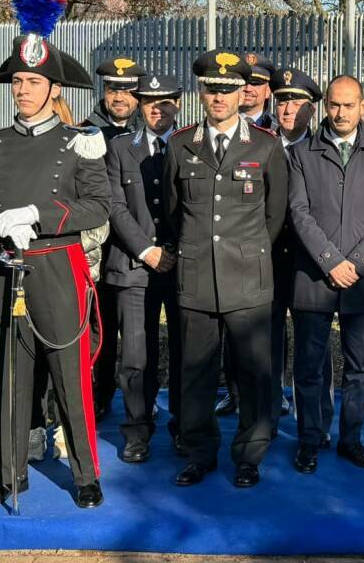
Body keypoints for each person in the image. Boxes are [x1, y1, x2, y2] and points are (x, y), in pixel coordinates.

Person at [0, 0, 109, 508]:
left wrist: (39, 217)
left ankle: (86, 474)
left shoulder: (79, 142)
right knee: (10, 377)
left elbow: (98, 205)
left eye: (32, 81)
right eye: (16, 80)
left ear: (53, 86)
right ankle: (9, 474)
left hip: (56, 267)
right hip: (3, 267)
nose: (22, 89)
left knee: (69, 373)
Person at [164, 50, 288, 489]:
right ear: (201, 92)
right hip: (196, 276)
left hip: (248, 278)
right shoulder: (180, 144)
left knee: (254, 372)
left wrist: (247, 253)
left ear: (243, 92)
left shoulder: (266, 145)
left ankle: (250, 454)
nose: (218, 96)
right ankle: (199, 452)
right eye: (210, 88)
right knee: (196, 371)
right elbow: (175, 213)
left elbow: (274, 216)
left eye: (227, 89)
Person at [287, 76, 364, 474]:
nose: (341, 113)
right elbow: (298, 212)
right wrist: (331, 260)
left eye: (349, 105)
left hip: (360, 280)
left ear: (362, 107)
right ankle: (309, 440)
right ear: (325, 106)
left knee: (360, 367)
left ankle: (352, 439)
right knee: (310, 365)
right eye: (334, 105)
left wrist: (358, 261)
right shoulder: (301, 153)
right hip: (313, 278)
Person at [103, 73, 184, 463]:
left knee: (188, 352)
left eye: (166, 100)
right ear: (139, 105)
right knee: (136, 355)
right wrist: (147, 250)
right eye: (150, 101)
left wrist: (174, 249)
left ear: (178, 104)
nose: (157, 108)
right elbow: (114, 206)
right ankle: (137, 431)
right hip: (134, 266)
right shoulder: (120, 149)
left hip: (184, 267)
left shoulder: (189, 146)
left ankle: (185, 426)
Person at [267, 66, 333, 441]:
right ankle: (270, 414)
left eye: (296, 102)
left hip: (311, 262)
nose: (288, 109)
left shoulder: (324, 148)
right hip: (270, 259)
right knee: (269, 341)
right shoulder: (260, 145)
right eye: (281, 101)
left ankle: (317, 422)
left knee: (314, 345)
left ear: (313, 108)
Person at [214, 53, 280, 417]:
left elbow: (277, 203)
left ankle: (269, 392)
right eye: (246, 83)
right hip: (224, 253)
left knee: (265, 331)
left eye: (257, 83)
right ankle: (233, 390)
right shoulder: (211, 127)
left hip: (265, 249)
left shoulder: (275, 131)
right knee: (228, 331)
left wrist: (256, 246)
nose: (251, 89)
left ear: (267, 90)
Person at [85, 56, 147, 421]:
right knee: (101, 328)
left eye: (127, 90)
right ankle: (100, 393)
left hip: (141, 250)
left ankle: (143, 398)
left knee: (139, 335)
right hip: (100, 251)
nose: (119, 96)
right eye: (112, 89)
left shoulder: (150, 134)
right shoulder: (84, 135)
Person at [239, 52, 277, 129]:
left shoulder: (278, 130)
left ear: (267, 91)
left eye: (255, 83)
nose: (248, 89)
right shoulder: (219, 125)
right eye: (243, 83)